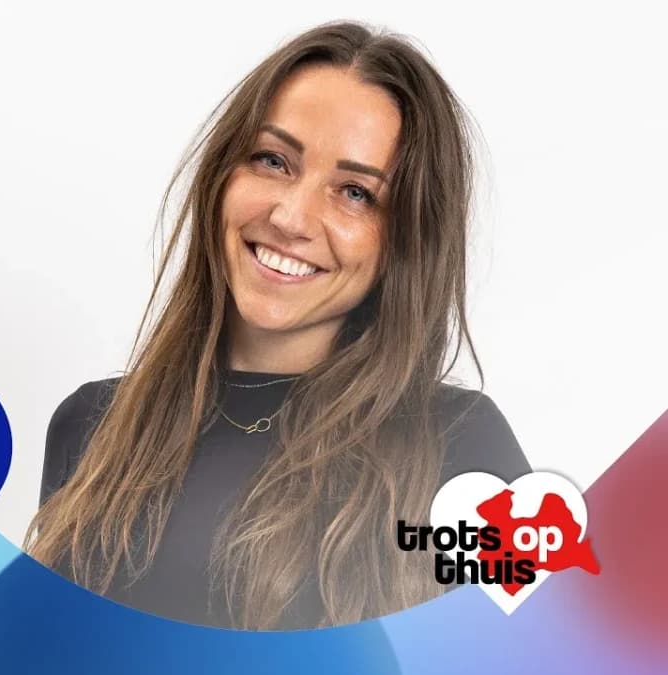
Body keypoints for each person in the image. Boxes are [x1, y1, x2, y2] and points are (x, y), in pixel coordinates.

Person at [26, 21, 532, 631]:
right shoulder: (90, 427)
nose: (291, 217)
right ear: (222, 176)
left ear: (406, 240)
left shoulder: (461, 448)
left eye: (355, 192)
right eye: (273, 160)